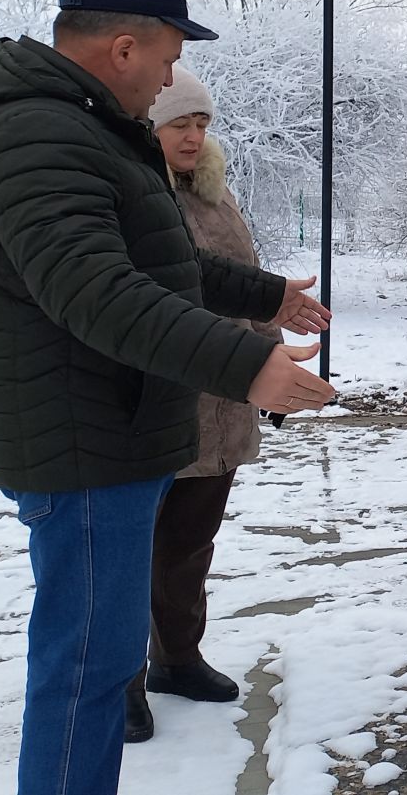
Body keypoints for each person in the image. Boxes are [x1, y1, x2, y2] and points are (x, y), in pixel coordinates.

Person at [0, 0, 339, 795]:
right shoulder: (33, 134)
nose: (166, 79)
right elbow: (96, 290)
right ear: (124, 47)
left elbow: (160, 264)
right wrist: (244, 364)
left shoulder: (76, 129)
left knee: (100, 657)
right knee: (84, 674)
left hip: (110, 436)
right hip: (85, 446)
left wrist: (266, 299)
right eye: (166, 58)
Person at [123, 64, 275, 741]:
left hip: (224, 404)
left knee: (189, 547)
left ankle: (176, 659)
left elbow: (247, 277)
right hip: (158, 401)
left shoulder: (217, 196)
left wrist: (271, 355)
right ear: (149, 126)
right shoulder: (130, 195)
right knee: (132, 552)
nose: (193, 135)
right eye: (179, 123)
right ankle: (120, 682)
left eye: (202, 123)